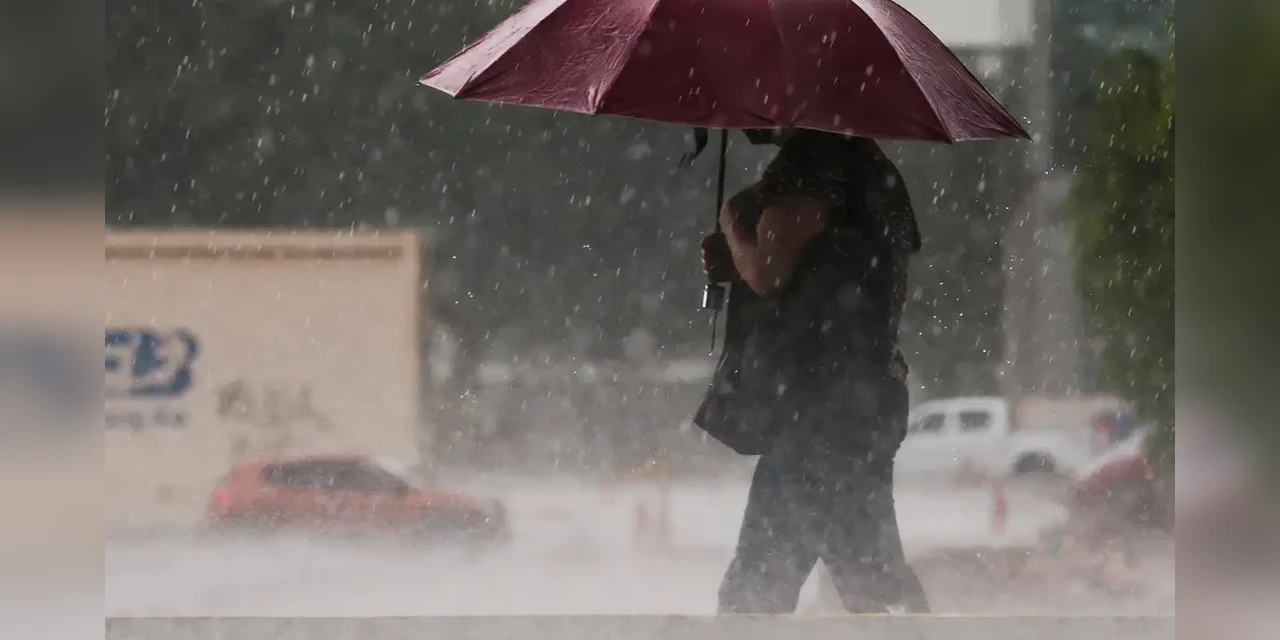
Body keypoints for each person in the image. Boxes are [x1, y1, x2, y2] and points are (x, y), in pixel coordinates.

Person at [697, 127, 929, 614]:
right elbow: (821, 268)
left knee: (869, 582)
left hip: (817, 409)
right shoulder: (866, 163)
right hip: (848, 401)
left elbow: (768, 271)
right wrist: (739, 255)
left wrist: (734, 223)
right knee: (761, 584)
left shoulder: (813, 160)